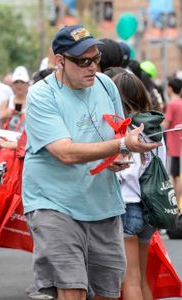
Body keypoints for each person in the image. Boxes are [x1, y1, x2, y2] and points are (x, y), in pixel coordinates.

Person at [22, 24, 161, 300]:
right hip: (54, 203)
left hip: (103, 204)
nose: (92, 67)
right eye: (83, 61)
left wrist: (120, 156)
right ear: (60, 61)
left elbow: (115, 134)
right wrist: (121, 145)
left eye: (96, 58)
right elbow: (64, 152)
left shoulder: (106, 84)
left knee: (108, 292)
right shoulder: (41, 94)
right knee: (72, 288)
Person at [112, 71, 166, 300]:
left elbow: (122, 173)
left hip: (127, 206)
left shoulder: (124, 131)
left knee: (130, 281)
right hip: (150, 208)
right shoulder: (154, 130)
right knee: (143, 278)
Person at [162, 76, 182, 210]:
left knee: (172, 175)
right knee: (179, 175)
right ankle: (178, 203)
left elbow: (165, 124)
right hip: (180, 144)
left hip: (172, 145)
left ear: (170, 88)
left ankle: (174, 204)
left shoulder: (172, 104)